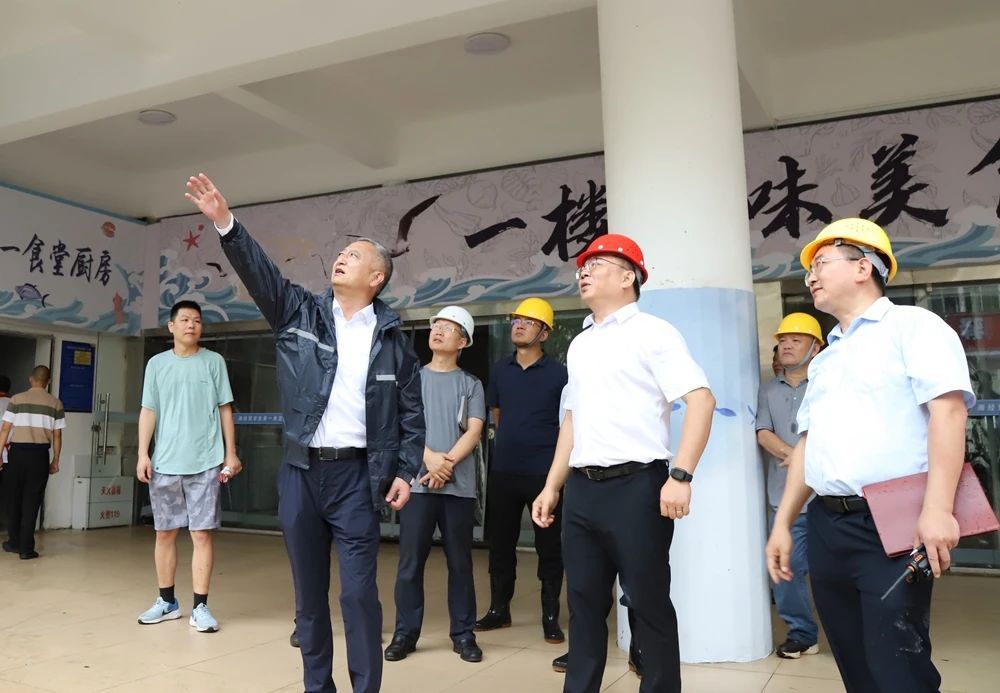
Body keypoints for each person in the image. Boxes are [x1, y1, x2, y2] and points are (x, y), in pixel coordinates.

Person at [185, 173, 424, 693]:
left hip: (358, 478)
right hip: (301, 473)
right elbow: (260, 274)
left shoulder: (394, 342)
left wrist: (406, 472)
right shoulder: (299, 313)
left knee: (358, 594)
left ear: (376, 277)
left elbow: (411, 414)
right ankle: (319, 687)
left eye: (354, 256)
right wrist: (226, 223)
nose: (341, 258)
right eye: (341, 253)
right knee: (308, 598)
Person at [766, 218, 975, 692]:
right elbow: (808, 444)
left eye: (821, 263)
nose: (811, 276)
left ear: (863, 267)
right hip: (827, 524)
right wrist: (783, 523)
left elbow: (948, 414)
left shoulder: (913, 327)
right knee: (855, 665)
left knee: (898, 666)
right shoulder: (826, 358)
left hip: (892, 523)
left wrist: (938, 509)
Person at [532, 234, 716, 693]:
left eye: (596, 265)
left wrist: (681, 475)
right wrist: (552, 485)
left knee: (648, 604)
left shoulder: (653, 332)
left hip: (637, 488)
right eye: (582, 267)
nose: (584, 273)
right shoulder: (580, 344)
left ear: (628, 277)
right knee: (584, 605)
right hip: (582, 490)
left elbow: (701, 400)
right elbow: (572, 419)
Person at [385, 306, 486, 664]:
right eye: (436, 326)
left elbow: (474, 430)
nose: (439, 331)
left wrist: (446, 464)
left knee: (460, 564)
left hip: (458, 487)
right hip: (416, 485)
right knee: (410, 563)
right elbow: (399, 424)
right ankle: (405, 634)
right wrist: (428, 458)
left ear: (463, 342)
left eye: (449, 328)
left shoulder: (471, 384)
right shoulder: (411, 378)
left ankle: (464, 635)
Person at [136, 300, 241, 633]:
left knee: (201, 534)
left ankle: (200, 607)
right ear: (171, 326)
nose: (191, 325)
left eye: (196, 320)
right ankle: (167, 602)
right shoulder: (156, 364)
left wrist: (231, 453)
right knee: (164, 533)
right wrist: (142, 453)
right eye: (184, 320)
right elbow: (149, 410)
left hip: (206, 461)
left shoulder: (213, 362)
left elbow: (225, 409)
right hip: (165, 462)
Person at [475, 297, 568, 644]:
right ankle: (499, 609)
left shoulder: (560, 374)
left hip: (545, 475)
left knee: (550, 547)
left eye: (528, 322)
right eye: (516, 320)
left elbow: (567, 423)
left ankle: (550, 616)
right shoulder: (501, 370)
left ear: (544, 333)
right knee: (501, 544)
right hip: (504, 471)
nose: (519, 325)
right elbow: (498, 414)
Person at [756, 313, 823, 658]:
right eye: (783, 340)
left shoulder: (827, 384)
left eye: (796, 340)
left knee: (834, 572)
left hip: (827, 497)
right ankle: (802, 633)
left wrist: (802, 458)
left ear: (815, 348)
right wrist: (794, 456)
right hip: (783, 499)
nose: (787, 345)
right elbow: (762, 432)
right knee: (786, 569)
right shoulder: (768, 390)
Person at [0, 366, 64, 560]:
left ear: (30, 379)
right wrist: (55, 460)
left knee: (14, 499)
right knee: (32, 501)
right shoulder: (55, 403)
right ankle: (26, 549)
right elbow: (57, 435)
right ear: (48, 382)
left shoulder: (16, 400)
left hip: (17, 454)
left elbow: (5, 429)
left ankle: (14, 542)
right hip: (39, 456)